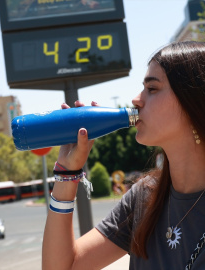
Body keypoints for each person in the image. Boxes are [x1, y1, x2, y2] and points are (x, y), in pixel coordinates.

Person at [42, 41, 205, 270]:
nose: (136, 100)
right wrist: (66, 173)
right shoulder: (144, 197)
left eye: (152, 89)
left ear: (193, 102)